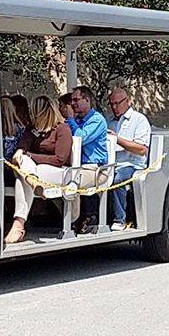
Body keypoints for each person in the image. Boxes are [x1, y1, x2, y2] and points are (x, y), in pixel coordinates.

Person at [7, 95, 72, 244]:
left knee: (23, 172)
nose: (31, 115)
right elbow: (23, 145)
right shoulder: (33, 128)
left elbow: (60, 159)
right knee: (23, 171)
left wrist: (29, 155)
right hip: (34, 171)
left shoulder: (62, 129)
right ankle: (19, 223)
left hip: (58, 171)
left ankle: (18, 226)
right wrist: (20, 152)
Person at [104, 86, 152, 229]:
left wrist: (117, 139)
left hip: (132, 164)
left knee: (116, 179)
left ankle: (120, 219)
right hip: (110, 163)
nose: (114, 107)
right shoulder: (108, 121)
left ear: (127, 101)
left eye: (117, 103)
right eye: (111, 104)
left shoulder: (139, 120)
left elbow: (141, 149)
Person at [67, 85, 111, 233]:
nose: (73, 104)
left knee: (71, 182)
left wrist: (71, 119)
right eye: (71, 101)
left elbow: (81, 138)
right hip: (76, 166)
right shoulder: (76, 120)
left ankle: (74, 220)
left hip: (96, 168)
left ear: (87, 100)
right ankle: (72, 217)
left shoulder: (97, 120)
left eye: (76, 100)